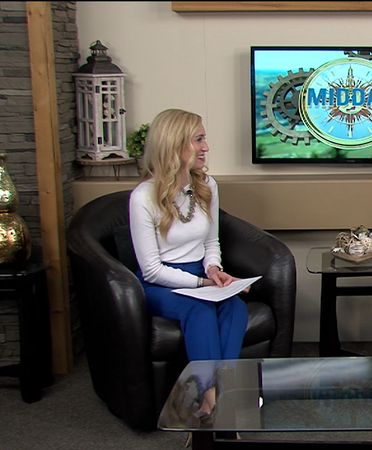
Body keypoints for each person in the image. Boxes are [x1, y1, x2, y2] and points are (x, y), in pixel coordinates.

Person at [129, 108, 249, 427]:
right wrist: (201, 285)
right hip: (159, 284)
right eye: (198, 140)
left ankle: (214, 400)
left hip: (199, 274)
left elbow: (211, 242)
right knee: (199, 309)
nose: (205, 147)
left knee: (234, 306)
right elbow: (151, 270)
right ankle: (214, 400)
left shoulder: (206, 185)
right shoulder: (143, 197)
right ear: (175, 144)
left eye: (203, 139)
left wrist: (213, 270)